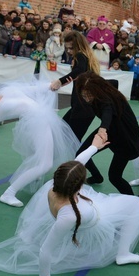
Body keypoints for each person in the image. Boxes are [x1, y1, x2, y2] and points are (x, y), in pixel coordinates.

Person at [0, 133, 139, 276]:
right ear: (77, 188)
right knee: (137, 204)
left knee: (128, 205)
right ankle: (123, 253)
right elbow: (46, 250)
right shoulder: (70, 215)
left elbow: (77, 161)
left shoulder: (53, 186)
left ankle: (122, 247)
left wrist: (94, 147)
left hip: (85, 211)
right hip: (95, 219)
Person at [0, 78, 79, 207]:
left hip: (43, 120)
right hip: (34, 126)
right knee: (46, 164)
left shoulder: (8, 90)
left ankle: (35, 177)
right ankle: (9, 193)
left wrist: (54, 85)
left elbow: (32, 89)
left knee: (50, 156)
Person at [71, 72, 139, 195]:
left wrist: (102, 129)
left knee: (115, 176)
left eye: (89, 95)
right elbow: (114, 82)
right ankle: (97, 176)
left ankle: (132, 202)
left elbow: (107, 111)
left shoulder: (105, 99)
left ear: (96, 90)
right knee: (81, 153)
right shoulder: (104, 87)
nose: (87, 99)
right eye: (84, 95)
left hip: (124, 136)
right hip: (110, 129)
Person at [49, 31, 105, 185]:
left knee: (74, 144)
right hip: (80, 107)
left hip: (83, 109)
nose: (68, 51)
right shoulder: (86, 58)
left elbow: (78, 71)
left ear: (78, 46)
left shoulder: (81, 56)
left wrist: (60, 81)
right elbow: (79, 74)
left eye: (70, 48)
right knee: (67, 137)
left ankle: (89, 175)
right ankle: (93, 174)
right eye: (67, 48)